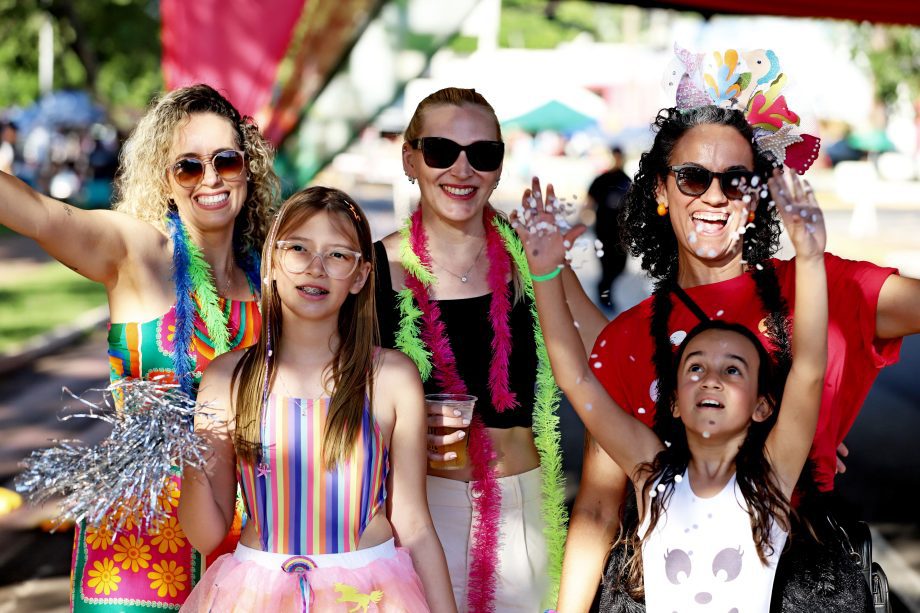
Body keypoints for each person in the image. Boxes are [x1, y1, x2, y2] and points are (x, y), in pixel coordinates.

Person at [557, 49, 920, 612]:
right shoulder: (625, 340)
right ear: (660, 190)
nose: (714, 195)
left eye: (736, 180)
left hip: (810, 589)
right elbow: (598, 509)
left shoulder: (821, 286)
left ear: (755, 198)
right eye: (692, 177)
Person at [0, 84, 278, 610]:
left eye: (226, 160)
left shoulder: (268, 276)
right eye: (189, 167)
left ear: (248, 167)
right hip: (139, 551)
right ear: (165, 178)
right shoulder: (137, 252)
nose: (211, 179)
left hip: (246, 546)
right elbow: (38, 215)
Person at [517, 167, 828, 611]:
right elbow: (576, 377)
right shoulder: (652, 475)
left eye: (733, 369)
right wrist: (545, 273)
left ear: (762, 406)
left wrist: (811, 259)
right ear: (674, 402)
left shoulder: (771, 481)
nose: (711, 378)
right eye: (695, 367)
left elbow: (809, 369)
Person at [178, 187, 456, 612]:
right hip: (258, 594)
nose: (316, 267)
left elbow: (414, 524)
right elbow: (205, 535)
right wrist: (189, 452)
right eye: (298, 249)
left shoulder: (391, 378)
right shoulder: (227, 378)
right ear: (272, 262)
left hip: (370, 595)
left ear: (360, 275)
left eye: (338, 255)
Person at [374, 87, 591, 612]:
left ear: (499, 164)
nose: (462, 169)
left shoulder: (531, 256)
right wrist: (402, 422)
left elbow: (608, 352)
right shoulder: (373, 270)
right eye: (441, 151)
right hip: (417, 520)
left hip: (524, 518)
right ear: (410, 159)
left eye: (483, 153)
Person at [586, 146, 630, 309]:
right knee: (606, 266)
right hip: (603, 230)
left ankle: (604, 288)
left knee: (620, 266)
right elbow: (589, 201)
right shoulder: (602, 180)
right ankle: (605, 296)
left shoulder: (626, 180)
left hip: (621, 232)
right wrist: (585, 219)